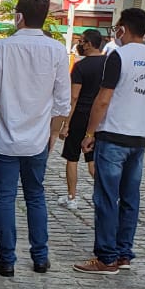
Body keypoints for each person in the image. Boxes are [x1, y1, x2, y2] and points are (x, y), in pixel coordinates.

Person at [0, 0, 71, 276]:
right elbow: (62, 102)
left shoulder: (1, 48)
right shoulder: (56, 51)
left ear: (19, 16)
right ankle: (40, 257)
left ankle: (7, 260)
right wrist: (53, 134)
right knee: (35, 196)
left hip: (4, 137)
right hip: (38, 139)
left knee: (5, 197)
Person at [75, 8, 145, 275]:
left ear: (123, 29)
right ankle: (124, 253)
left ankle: (106, 256)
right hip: (139, 137)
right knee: (129, 198)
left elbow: (103, 99)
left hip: (113, 135)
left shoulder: (118, 56)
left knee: (105, 197)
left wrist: (89, 133)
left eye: (116, 28)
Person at [58, 28, 107, 210]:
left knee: (72, 157)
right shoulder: (110, 64)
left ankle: (72, 197)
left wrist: (66, 123)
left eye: (82, 41)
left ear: (89, 44)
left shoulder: (80, 67)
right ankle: (107, 195)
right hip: (101, 117)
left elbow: (74, 96)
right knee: (92, 160)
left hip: (80, 115)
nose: (79, 44)